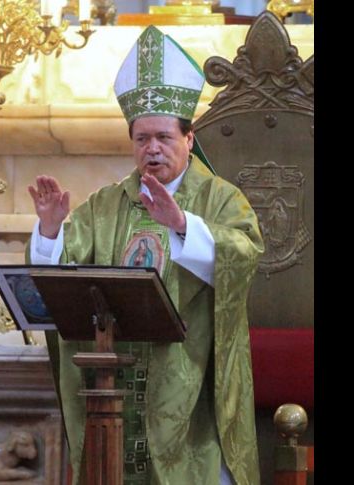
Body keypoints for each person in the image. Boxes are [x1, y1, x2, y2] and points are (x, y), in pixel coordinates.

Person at [26, 26, 263, 485]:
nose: (151, 148)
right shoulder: (104, 205)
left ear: (189, 139)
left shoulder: (219, 199)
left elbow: (245, 258)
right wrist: (51, 231)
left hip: (190, 383)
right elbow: (63, 281)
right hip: (111, 379)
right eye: (141, 139)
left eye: (162, 137)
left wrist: (182, 226)